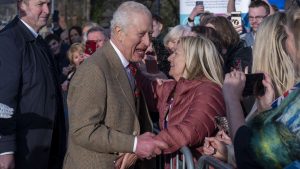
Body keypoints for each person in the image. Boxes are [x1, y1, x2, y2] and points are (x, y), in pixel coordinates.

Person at [63, 1, 168, 169]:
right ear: (119, 32)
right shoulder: (94, 70)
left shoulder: (129, 65)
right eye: (141, 34)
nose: (148, 42)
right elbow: (82, 130)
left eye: (149, 34)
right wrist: (134, 144)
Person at [223, 8, 300, 169]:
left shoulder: (294, 104)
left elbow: (248, 155)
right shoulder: (278, 95)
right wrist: (265, 113)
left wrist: (232, 100)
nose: (287, 43)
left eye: (289, 36)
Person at [137, 36, 226, 168]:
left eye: (176, 53)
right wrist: (127, 62)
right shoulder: (174, 87)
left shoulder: (209, 91)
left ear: (192, 59)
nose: (169, 58)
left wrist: (149, 145)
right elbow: (148, 90)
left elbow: (189, 131)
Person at [0, 0, 66, 169]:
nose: (47, 10)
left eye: (49, 4)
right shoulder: (9, 41)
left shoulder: (39, 41)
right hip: (26, 152)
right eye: (40, 4)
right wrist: (5, 150)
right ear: (22, 5)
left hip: (48, 150)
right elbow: (4, 99)